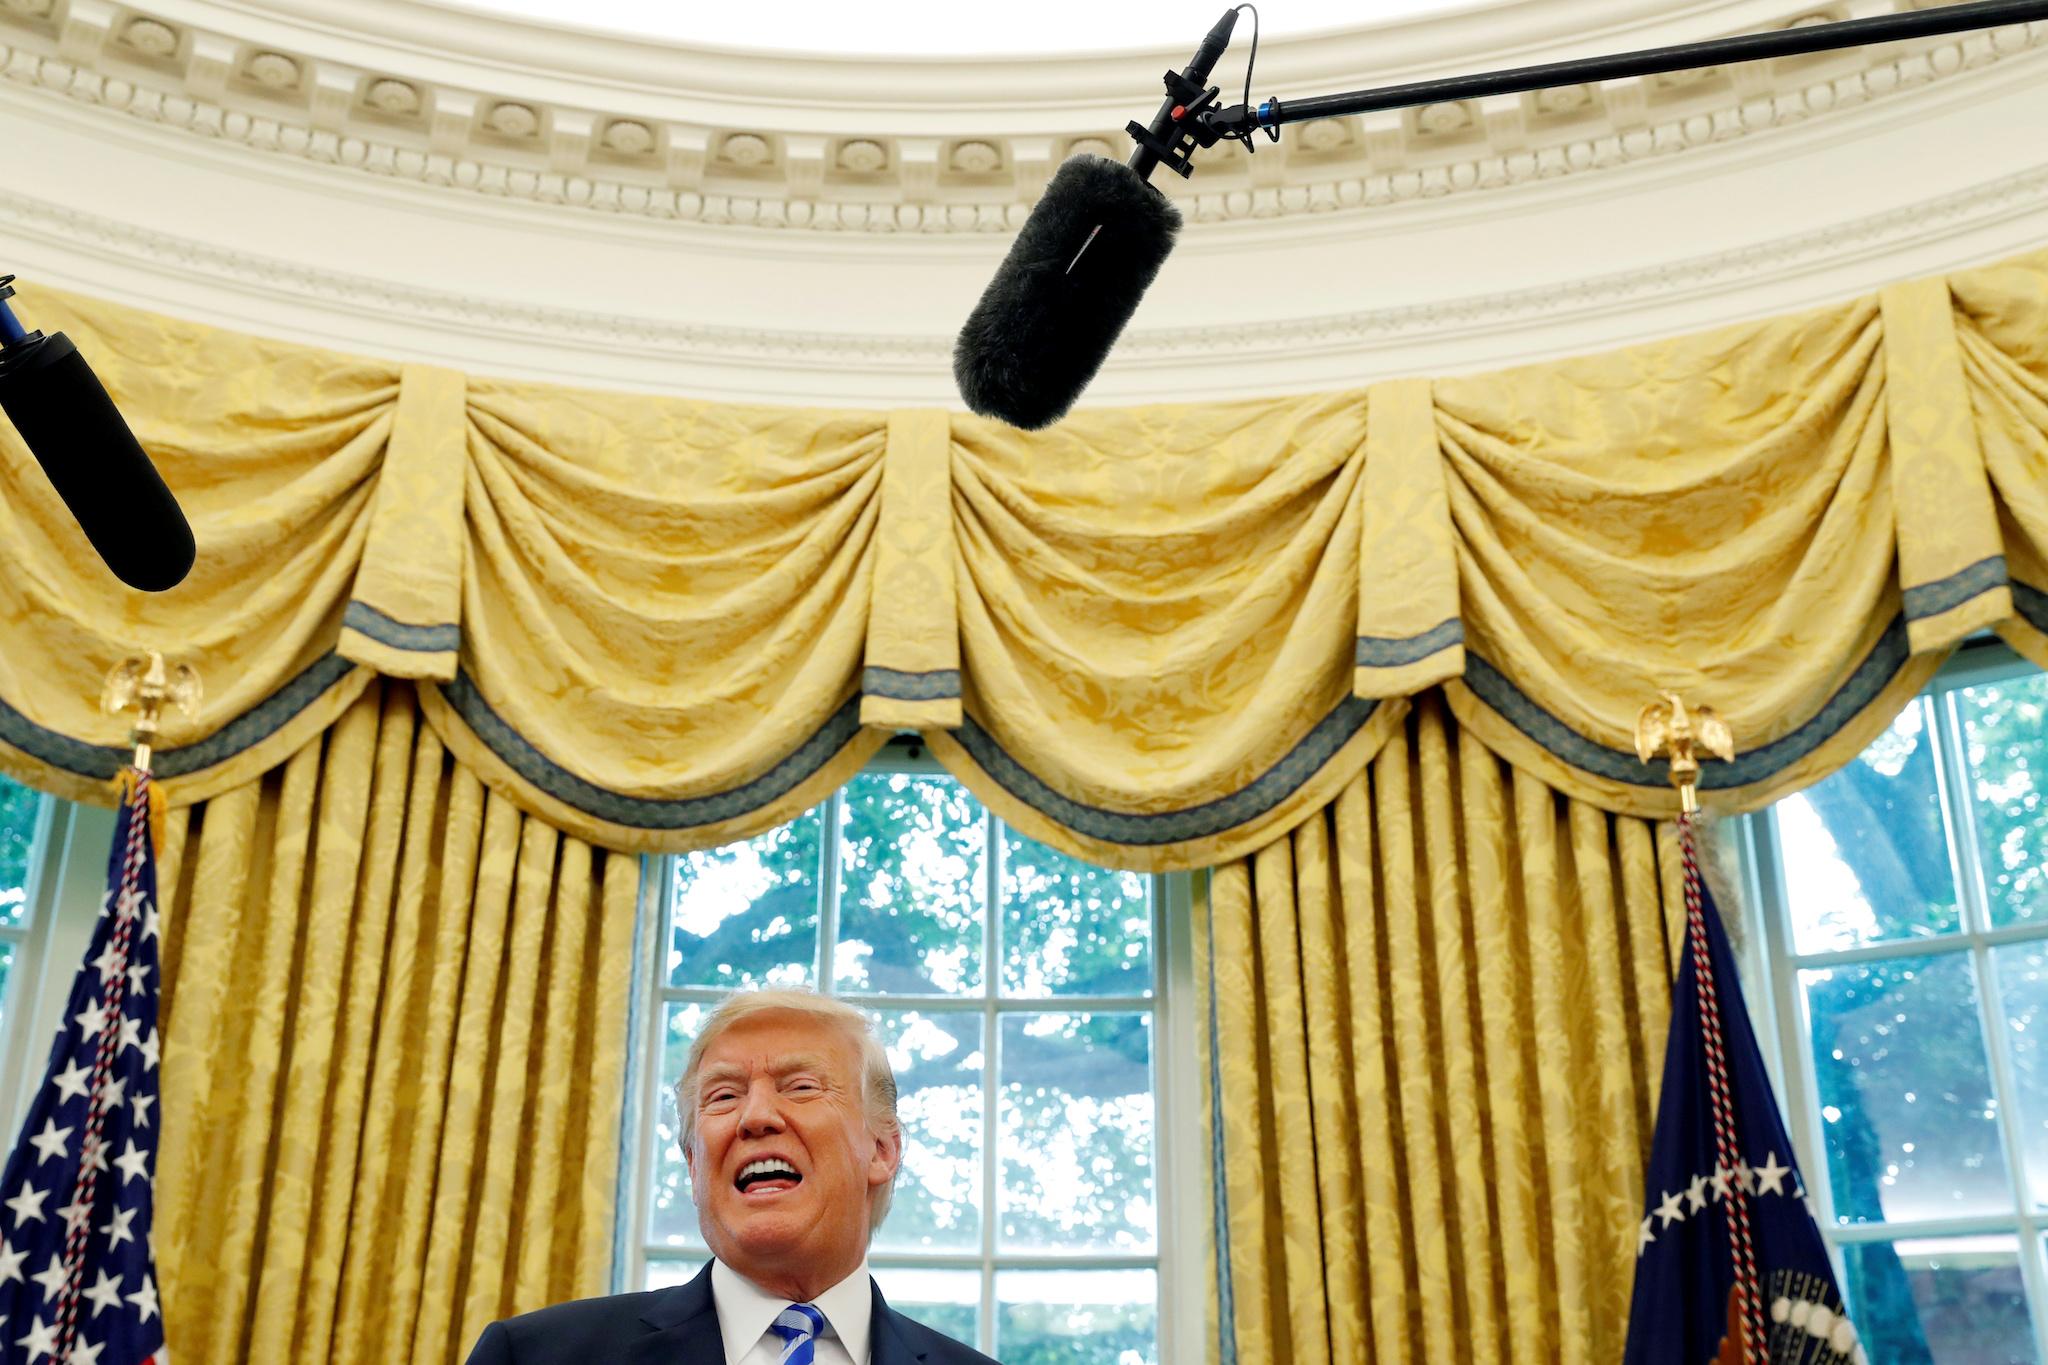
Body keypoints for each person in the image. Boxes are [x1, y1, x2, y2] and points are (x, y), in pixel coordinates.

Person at [465, 988, 998, 1364]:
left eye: (800, 1087)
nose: (755, 1116)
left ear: (881, 1150)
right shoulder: (532, 1355)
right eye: (723, 1096)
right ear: (695, 1164)